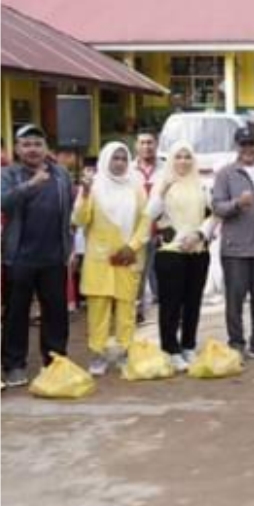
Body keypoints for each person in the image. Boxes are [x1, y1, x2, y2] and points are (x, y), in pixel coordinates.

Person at [1, 125, 74, 387]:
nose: (32, 149)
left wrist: (70, 246)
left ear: (46, 148)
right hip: (19, 257)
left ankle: (55, 361)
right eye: (26, 144)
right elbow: (3, 202)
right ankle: (14, 365)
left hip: (54, 256)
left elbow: (69, 209)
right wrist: (30, 185)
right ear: (18, 149)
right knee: (16, 313)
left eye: (37, 144)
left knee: (56, 312)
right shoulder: (8, 174)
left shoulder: (61, 174)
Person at [72, 142, 151, 376]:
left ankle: (125, 351)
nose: (119, 163)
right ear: (106, 160)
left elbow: (145, 221)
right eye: (115, 158)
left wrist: (132, 247)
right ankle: (98, 353)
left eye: (123, 159)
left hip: (127, 258)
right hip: (100, 259)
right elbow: (80, 219)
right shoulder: (93, 187)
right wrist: (84, 194)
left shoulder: (136, 187)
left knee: (126, 307)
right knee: (98, 308)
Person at [212, 125, 254, 361]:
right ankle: (236, 343)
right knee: (235, 298)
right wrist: (237, 204)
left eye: (252, 143)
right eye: (244, 144)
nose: (248, 148)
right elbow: (217, 206)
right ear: (237, 147)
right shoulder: (226, 174)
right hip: (235, 248)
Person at [147, 141, 215, 371]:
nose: (183, 161)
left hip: (197, 251)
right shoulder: (162, 182)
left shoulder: (202, 184)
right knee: (171, 304)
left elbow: (212, 215)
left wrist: (199, 235)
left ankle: (188, 346)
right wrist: (164, 188)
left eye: (187, 157)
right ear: (171, 160)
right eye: (178, 156)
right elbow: (151, 214)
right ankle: (170, 348)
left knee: (193, 302)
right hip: (170, 253)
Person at [131, 130, 161, 323]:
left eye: (150, 142)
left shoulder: (166, 169)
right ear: (136, 146)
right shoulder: (129, 170)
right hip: (136, 231)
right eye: (142, 143)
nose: (146, 147)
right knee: (137, 273)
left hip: (161, 229)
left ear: (156, 144)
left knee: (162, 272)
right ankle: (136, 310)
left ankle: (166, 308)